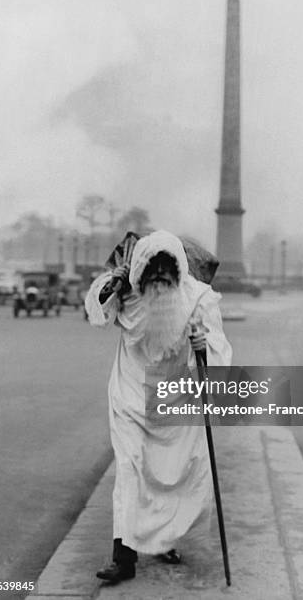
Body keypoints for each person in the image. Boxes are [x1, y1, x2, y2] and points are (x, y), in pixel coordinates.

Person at [85, 230, 232, 586]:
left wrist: (203, 344)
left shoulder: (198, 300)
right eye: (154, 271)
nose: (162, 278)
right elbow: (97, 312)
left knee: (174, 475)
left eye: (169, 270)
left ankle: (164, 539)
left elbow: (219, 351)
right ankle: (124, 557)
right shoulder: (125, 292)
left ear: (180, 271)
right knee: (130, 470)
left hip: (175, 397)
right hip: (131, 396)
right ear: (140, 272)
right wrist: (111, 286)